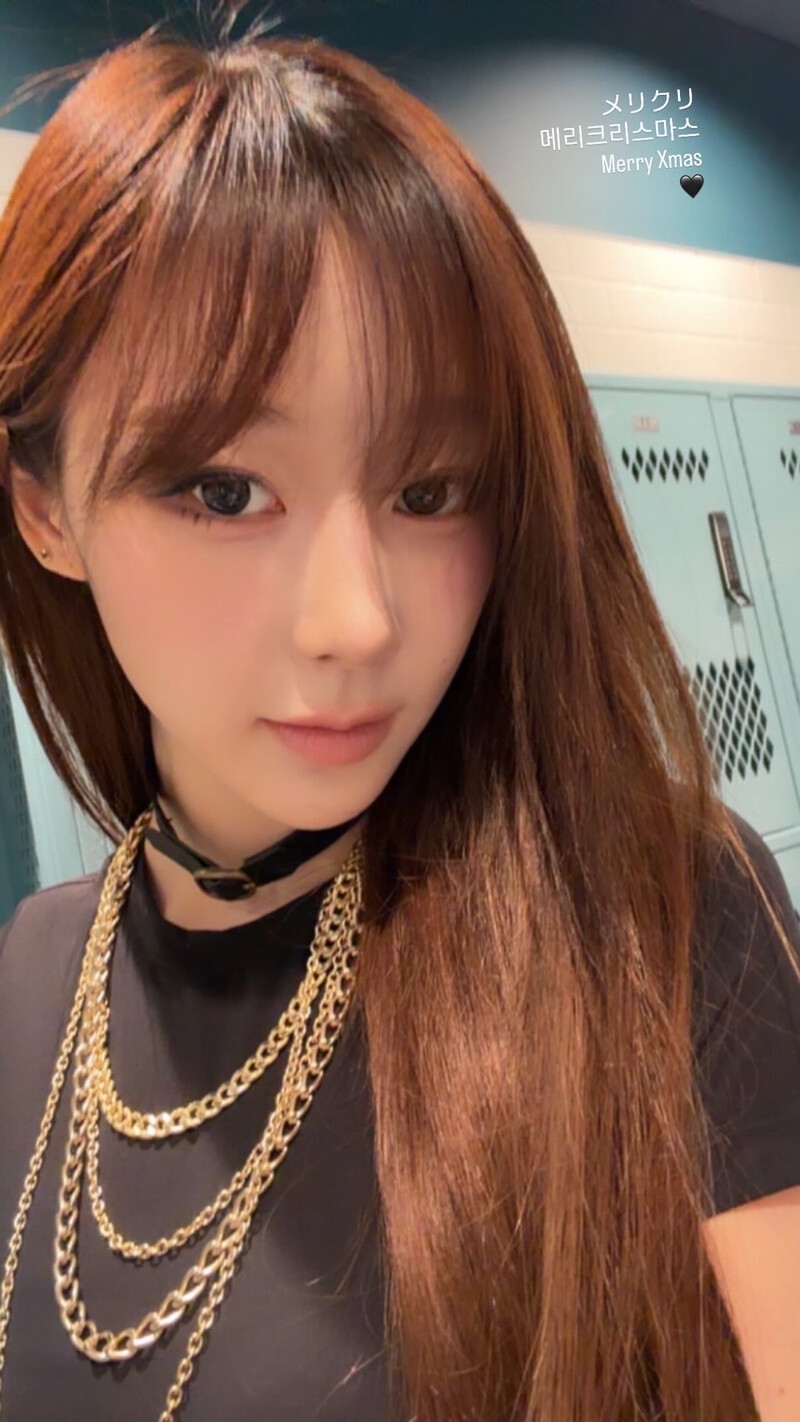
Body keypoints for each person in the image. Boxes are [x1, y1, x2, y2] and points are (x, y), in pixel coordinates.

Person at [0, 11, 799, 1422]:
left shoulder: (657, 916)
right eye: (225, 490)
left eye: (431, 491)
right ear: (45, 505)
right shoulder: (32, 972)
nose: (358, 620)